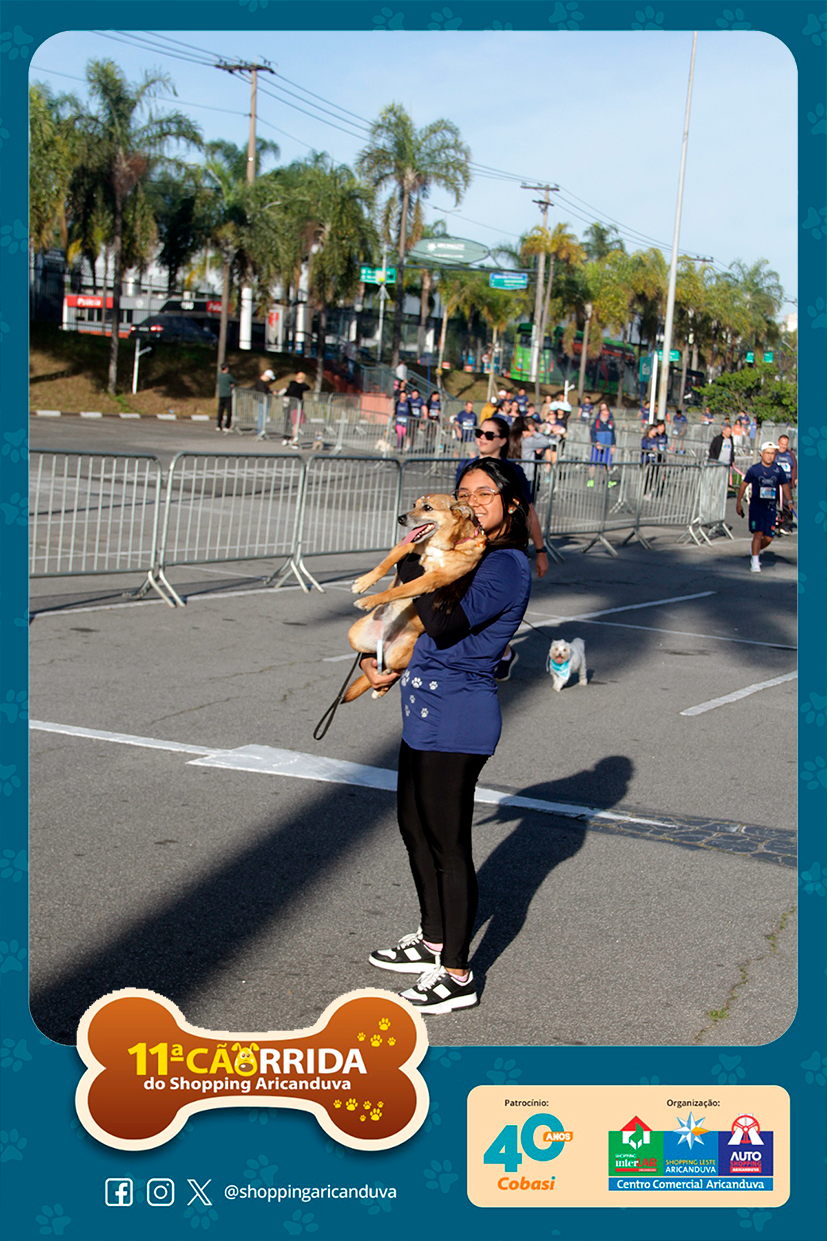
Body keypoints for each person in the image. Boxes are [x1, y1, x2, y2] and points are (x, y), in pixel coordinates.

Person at [363, 457, 532, 1013]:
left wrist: (420, 560)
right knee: (414, 827)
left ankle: (457, 974)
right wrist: (378, 658)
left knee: (448, 845)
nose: (472, 502)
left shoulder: (504, 563)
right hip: (424, 707)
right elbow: (414, 625)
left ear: (511, 504)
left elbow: (444, 622)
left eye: (485, 494)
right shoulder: (463, 551)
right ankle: (432, 938)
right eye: (465, 493)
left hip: (459, 716)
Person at [454, 414, 548, 679]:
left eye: (489, 435)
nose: (482, 438)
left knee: (490, 613)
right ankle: (489, 655)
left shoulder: (513, 472)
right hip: (469, 546)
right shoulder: (466, 467)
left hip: (498, 548)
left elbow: (529, 512)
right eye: (479, 433)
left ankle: (499, 654)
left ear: (503, 440)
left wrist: (541, 550)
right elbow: (458, 510)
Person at [736, 441, 792, 573]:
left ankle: (755, 549)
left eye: (772, 453)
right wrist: (738, 503)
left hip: (771, 508)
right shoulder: (754, 469)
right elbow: (744, 485)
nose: (770, 456)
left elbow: (785, 486)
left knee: (768, 537)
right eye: (767, 453)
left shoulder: (778, 470)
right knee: (758, 533)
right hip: (757, 507)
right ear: (762, 454)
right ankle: (755, 561)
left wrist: (790, 501)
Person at [588, 402, 616, 485]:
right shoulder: (596, 423)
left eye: (607, 414)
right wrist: (596, 442)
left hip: (607, 447)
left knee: (607, 464)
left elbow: (613, 435)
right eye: (604, 414)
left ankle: (607, 481)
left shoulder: (610, 424)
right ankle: (591, 480)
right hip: (597, 447)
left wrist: (613, 445)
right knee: (593, 463)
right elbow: (592, 433)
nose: (605, 416)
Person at [280, 371, 310, 446]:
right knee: (294, 422)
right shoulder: (297, 385)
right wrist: (301, 383)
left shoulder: (292, 384)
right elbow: (306, 387)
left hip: (290, 404)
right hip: (295, 405)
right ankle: (292, 439)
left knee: (289, 421)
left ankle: (287, 437)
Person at [253, 368, 275, 438]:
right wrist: (271, 392)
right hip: (262, 401)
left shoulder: (262, 382)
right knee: (262, 415)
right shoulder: (261, 383)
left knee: (263, 415)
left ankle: (261, 430)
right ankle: (260, 431)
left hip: (263, 400)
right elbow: (263, 391)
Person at [216, 362, 235, 433]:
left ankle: (218, 425)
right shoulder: (228, 376)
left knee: (220, 410)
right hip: (227, 394)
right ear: (226, 368)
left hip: (221, 394)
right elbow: (234, 381)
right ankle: (227, 426)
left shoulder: (219, 376)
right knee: (228, 411)